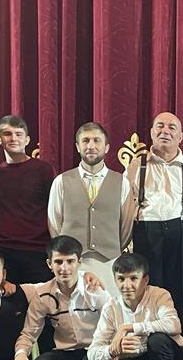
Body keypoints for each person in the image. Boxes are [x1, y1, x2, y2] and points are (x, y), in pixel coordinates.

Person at [6, 236, 112, 360]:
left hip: (95, 352)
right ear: (49, 264)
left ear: (79, 262)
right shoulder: (43, 294)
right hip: (67, 355)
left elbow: (114, 323)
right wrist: (20, 355)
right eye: (58, 262)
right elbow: (29, 333)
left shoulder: (96, 289)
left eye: (70, 261)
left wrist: (112, 350)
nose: (64, 268)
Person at [124, 112, 183, 332]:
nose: (165, 131)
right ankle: (150, 341)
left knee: (181, 292)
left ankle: (181, 342)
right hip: (147, 232)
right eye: (160, 126)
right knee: (148, 290)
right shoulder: (136, 166)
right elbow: (127, 208)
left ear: (181, 136)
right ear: (151, 133)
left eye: (171, 127)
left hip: (181, 232)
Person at [47, 121, 135, 294]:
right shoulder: (61, 181)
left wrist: (111, 247)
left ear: (107, 147)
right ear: (78, 147)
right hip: (73, 264)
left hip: (109, 263)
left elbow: (126, 226)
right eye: (85, 141)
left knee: (108, 307)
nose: (91, 146)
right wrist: (66, 253)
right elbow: (54, 223)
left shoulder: (122, 182)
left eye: (96, 140)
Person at [0, 114, 56, 284]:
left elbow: (55, 207)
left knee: (38, 299)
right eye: (7, 134)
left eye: (18, 134)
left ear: (27, 140)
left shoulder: (43, 170)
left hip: (38, 250)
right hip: (3, 250)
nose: (13, 138)